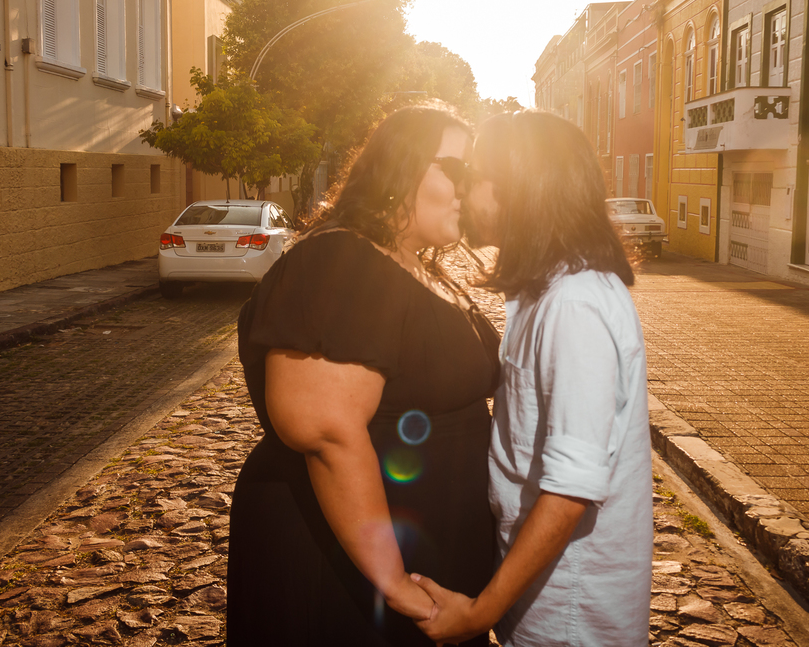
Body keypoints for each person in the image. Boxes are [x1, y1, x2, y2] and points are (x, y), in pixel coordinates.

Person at [229, 102, 501, 646]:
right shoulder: (343, 259)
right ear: (401, 167)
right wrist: (392, 581)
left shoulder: (419, 263)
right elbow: (326, 431)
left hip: (421, 547)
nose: (470, 190)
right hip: (343, 562)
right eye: (458, 170)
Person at [413, 111, 653, 646]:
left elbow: (571, 490)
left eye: (475, 174)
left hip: (570, 608)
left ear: (518, 187)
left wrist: (479, 613)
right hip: (542, 592)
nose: (464, 188)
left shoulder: (574, 304)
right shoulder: (541, 291)